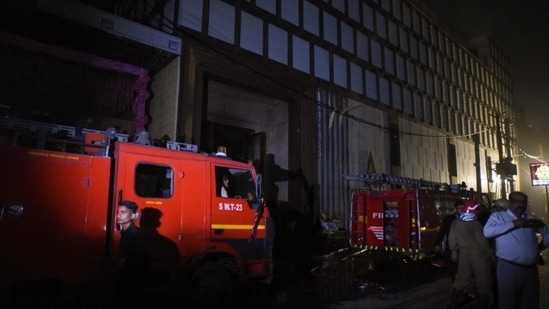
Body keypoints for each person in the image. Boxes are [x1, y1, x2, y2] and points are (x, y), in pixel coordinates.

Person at [483, 191, 549, 309]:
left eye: (523, 202)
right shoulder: (498, 217)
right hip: (509, 268)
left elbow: (547, 231)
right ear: (509, 203)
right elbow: (487, 232)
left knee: (530, 302)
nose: (521, 205)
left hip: (531, 270)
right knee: (508, 302)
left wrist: (541, 246)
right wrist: (514, 223)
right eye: (517, 201)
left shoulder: (531, 219)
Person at [447, 200, 493, 309]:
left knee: (461, 278)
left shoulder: (456, 223)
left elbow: (451, 240)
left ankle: (453, 304)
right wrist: (489, 254)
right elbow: (482, 242)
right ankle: (482, 305)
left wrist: (455, 250)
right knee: (482, 279)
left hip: (464, 254)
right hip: (479, 254)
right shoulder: (476, 224)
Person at [115, 200, 148, 304]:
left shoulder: (137, 234)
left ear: (133, 216)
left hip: (131, 283)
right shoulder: (126, 233)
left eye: (123, 212)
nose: (118, 215)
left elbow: (141, 260)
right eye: (118, 212)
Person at [434, 200, 463, 281]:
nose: (461, 211)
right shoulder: (449, 219)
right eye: (459, 209)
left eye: (462, 209)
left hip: (462, 247)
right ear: (455, 209)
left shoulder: (467, 219)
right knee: (452, 266)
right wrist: (437, 243)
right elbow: (442, 231)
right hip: (450, 246)